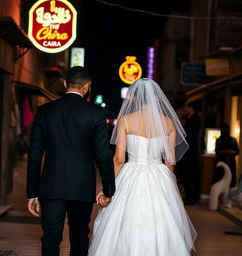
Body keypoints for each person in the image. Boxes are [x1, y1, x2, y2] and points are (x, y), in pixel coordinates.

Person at [88, 78, 197, 256]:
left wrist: (107, 188)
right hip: (159, 174)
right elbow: (170, 162)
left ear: (136, 99)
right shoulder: (168, 123)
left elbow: (118, 159)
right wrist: (168, 186)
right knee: (162, 222)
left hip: (131, 173)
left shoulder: (125, 121)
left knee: (122, 224)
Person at [27, 66, 116, 256]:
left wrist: (32, 193)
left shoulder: (44, 111)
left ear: (65, 84)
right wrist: (108, 189)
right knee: (80, 237)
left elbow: (35, 154)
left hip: (50, 186)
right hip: (81, 186)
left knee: (50, 238)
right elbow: (103, 154)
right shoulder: (96, 114)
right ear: (87, 87)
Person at [176, 102, 201, 205]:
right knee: (190, 175)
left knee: (189, 175)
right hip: (190, 152)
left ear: (190, 107)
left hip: (190, 152)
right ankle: (191, 196)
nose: (184, 109)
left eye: (185, 106)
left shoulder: (194, 119)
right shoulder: (190, 119)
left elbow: (189, 136)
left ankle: (192, 197)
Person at [215, 123, 240, 188]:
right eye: (223, 129)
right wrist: (225, 151)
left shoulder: (233, 140)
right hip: (221, 162)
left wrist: (232, 152)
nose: (225, 131)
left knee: (230, 180)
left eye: (226, 129)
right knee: (220, 179)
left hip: (231, 162)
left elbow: (237, 151)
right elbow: (217, 151)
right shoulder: (219, 140)